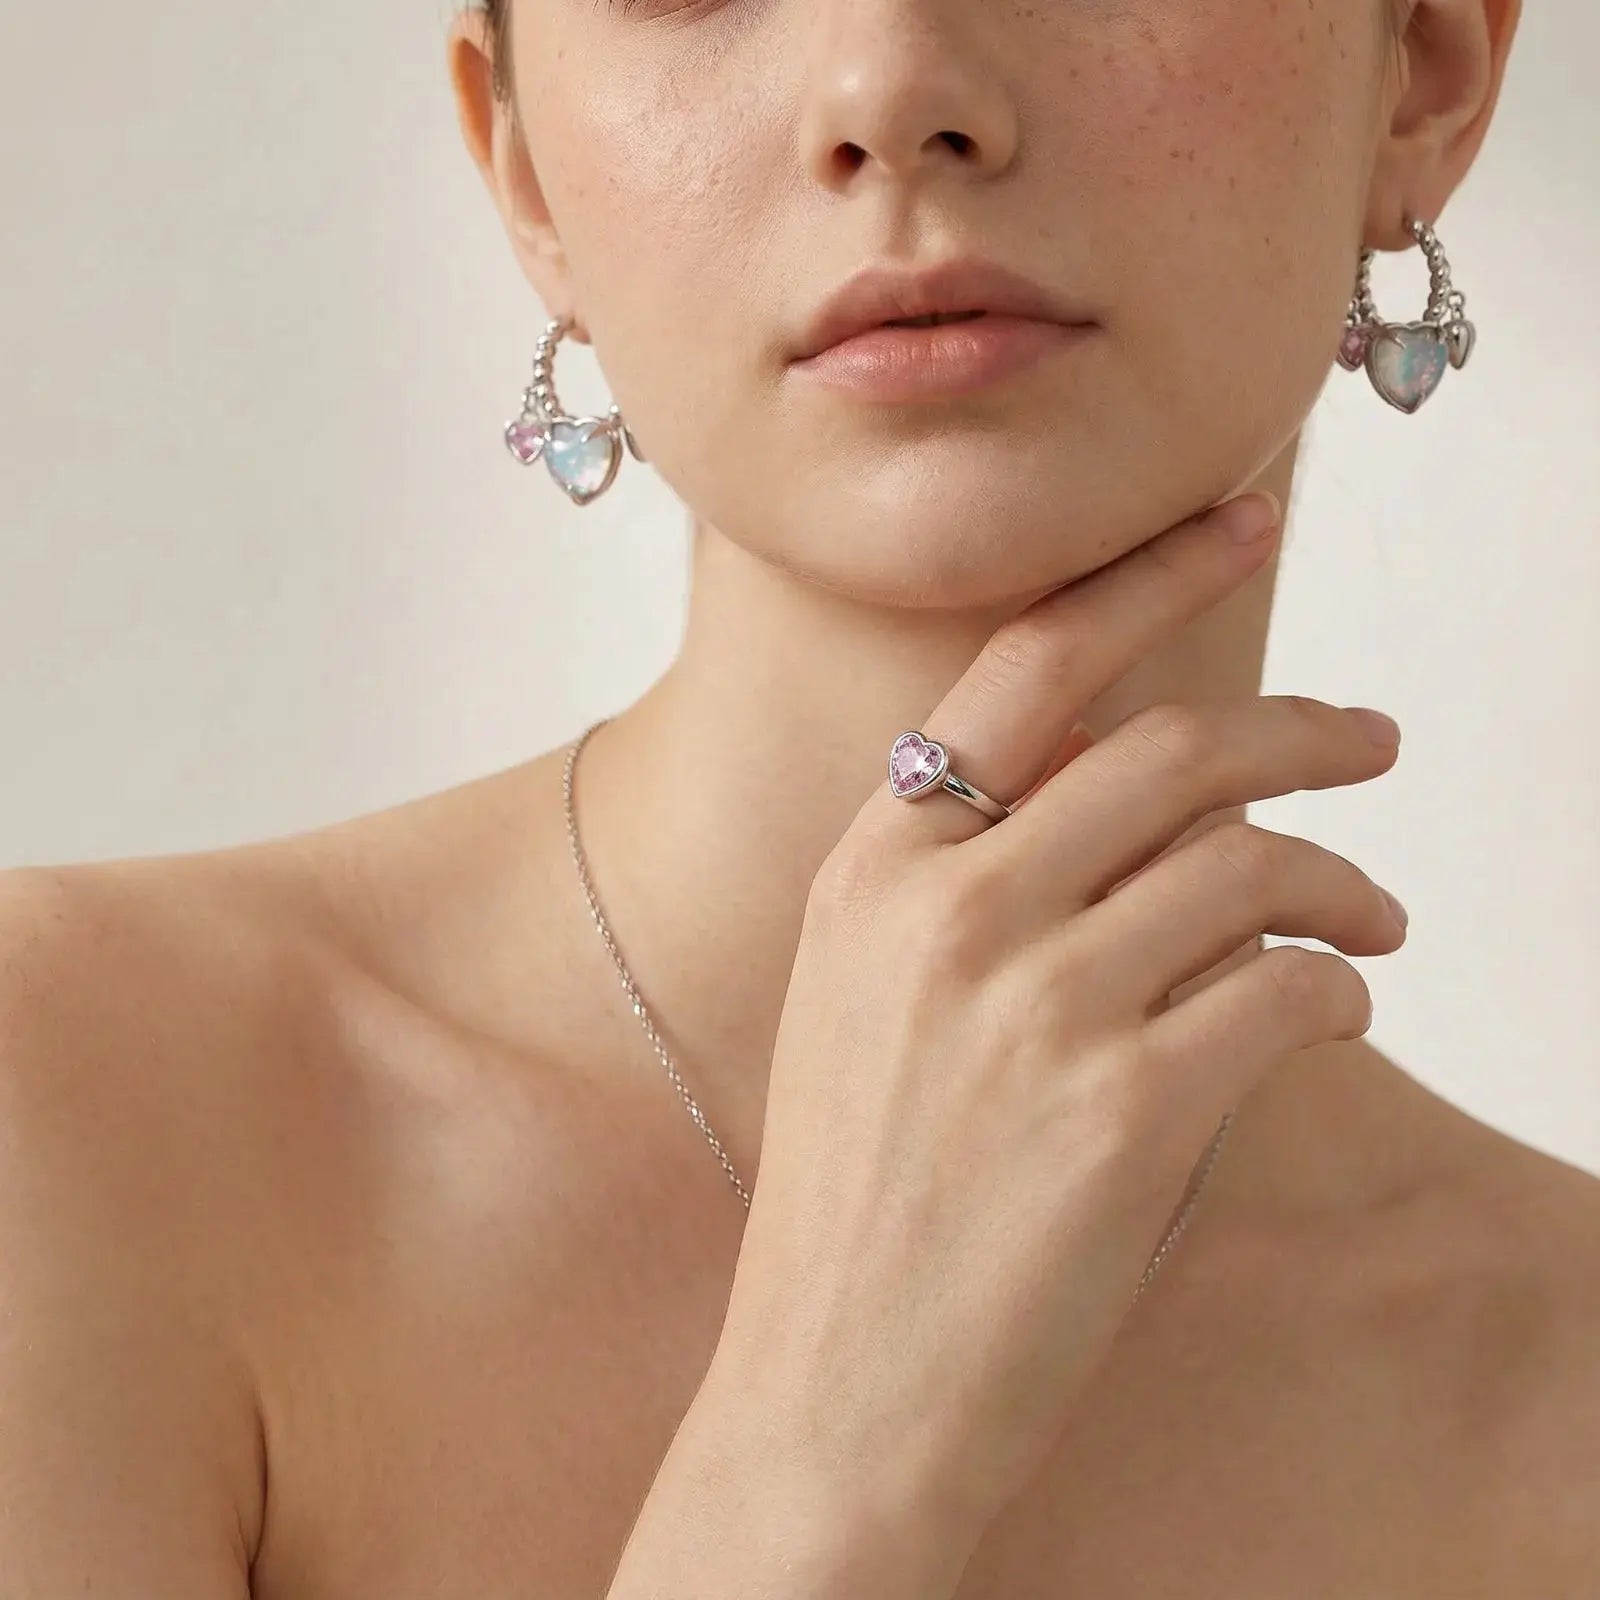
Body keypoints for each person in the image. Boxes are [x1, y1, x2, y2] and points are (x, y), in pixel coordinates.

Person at [1, 0, 1594, 1594]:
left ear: (1428, 73)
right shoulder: (76, 1120)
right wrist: (815, 1462)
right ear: (527, 171)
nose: (890, 88)